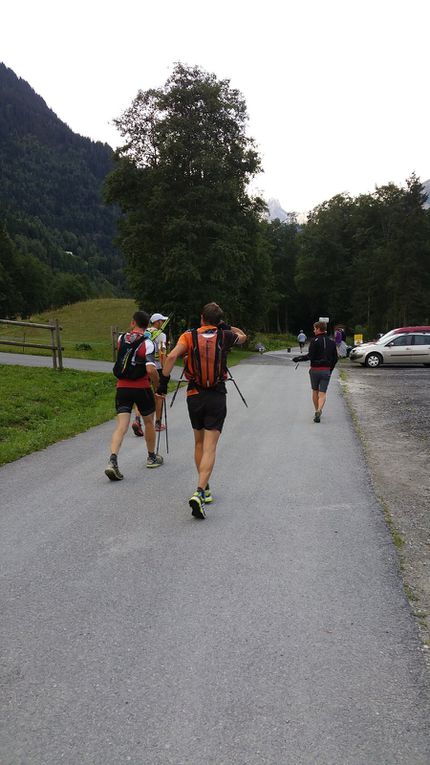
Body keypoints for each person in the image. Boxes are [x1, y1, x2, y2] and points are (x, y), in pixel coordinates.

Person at [157, 302, 246, 519]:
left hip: (194, 395)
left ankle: (204, 489)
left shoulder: (188, 336)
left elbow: (170, 357)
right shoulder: (225, 336)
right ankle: (199, 490)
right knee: (210, 446)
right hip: (216, 395)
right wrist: (227, 327)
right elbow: (243, 336)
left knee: (198, 442)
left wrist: (162, 385)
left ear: (201, 318)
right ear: (219, 321)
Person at [105, 310, 163, 480]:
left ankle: (112, 461)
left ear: (133, 323)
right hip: (141, 388)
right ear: (147, 326)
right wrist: (158, 386)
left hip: (122, 388)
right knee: (148, 422)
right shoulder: (148, 342)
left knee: (121, 426)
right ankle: (151, 457)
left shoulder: (121, 338)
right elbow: (151, 369)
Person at [131, 312, 168, 437]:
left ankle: (137, 419)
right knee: (159, 393)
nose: (163, 323)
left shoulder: (144, 333)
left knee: (141, 393)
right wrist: (164, 370)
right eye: (162, 321)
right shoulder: (161, 335)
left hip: (142, 366)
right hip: (155, 367)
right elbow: (162, 352)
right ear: (157, 322)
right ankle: (157, 423)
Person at [293, 320, 338, 422]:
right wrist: (330, 369)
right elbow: (335, 358)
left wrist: (297, 358)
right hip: (326, 370)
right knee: (322, 393)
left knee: (315, 391)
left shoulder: (314, 341)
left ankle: (316, 411)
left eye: (314, 329)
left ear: (318, 329)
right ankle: (319, 410)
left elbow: (310, 356)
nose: (313, 331)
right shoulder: (332, 342)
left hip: (314, 370)